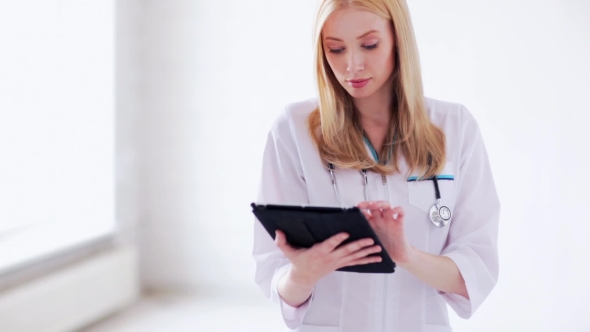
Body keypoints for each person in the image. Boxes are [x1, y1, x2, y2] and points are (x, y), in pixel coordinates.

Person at [252, 0, 500, 331]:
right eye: (336, 49)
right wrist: (303, 274)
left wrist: (406, 255)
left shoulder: (455, 128)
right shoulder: (293, 131)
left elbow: (476, 267)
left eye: (369, 45)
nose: (352, 65)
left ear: (398, 39)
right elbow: (274, 273)